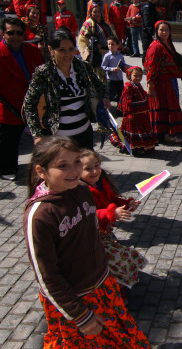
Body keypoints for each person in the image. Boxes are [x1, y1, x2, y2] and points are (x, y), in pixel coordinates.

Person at [23, 136, 151, 348]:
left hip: (103, 284)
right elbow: (46, 276)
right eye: (62, 165)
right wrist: (80, 316)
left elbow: (92, 236)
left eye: (76, 162)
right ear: (41, 171)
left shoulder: (82, 191)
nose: (74, 171)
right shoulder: (39, 215)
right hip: (77, 300)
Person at [0, 17, 43, 181]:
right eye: (10, 32)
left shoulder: (32, 50)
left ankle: (43, 168)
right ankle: (8, 169)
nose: (15, 36)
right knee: (9, 142)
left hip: (32, 103)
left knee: (42, 139)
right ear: (3, 33)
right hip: (9, 105)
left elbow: (42, 76)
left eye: (19, 33)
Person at [23, 30, 109, 150]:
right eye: (62, 50)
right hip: (59, 140)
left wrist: (104, 97)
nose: (68, 54)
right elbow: (29, 104)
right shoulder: (44, 72)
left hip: (85, 134)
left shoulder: (82, 67)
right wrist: (37, 134)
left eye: (71, 49)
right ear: (51, 50)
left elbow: (99, 84)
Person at [79, 149, 147, 294]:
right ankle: (111, 292)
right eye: (88, 169)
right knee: (108, 262)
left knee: (110, 262)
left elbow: (113, 199)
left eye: (97, 165)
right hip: (90, 237)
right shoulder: (80, 190)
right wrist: (111, 213)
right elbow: (87, 215)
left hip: (105, 231)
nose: (95, 171)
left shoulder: (102, 182)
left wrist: (127, 204)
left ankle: (116, 288)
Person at [145, 21, 182, 144]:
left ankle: (165, 133)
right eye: (161, 30)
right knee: (165, 108)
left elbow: (176, 62)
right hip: (160, 83)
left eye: (167, 30)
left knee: (169, 106)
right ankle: (166, 134)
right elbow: (151, 67)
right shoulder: (155, 46)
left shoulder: (168, 44)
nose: (164, 32)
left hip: (170, 81)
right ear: (156, 31)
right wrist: (150, 85)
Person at [116, 66, 157, 155]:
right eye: (135, 76)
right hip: (133, 116)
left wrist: (148, 94)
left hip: (141, 115)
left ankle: (142, 147)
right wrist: (129, 114)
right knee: (134, 132)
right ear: (129, 76)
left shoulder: (137, 85)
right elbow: (126, 101)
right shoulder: (129, 87)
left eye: (140, 76)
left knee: (142, 131)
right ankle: (134, 148)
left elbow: (141, 94)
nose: (138, 78)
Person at [79, 5, 114, 79]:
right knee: (98, 75)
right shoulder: (88, 23)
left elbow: (111, 35)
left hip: (107, 51)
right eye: (95, 12)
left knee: (109, 74)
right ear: (91, 13)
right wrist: (90, 46)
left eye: (99, 12)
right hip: (96, 53)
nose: (97, 14)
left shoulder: (104, 24)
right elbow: (82, 38)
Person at [101, 36, 129, 108]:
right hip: (111, 79)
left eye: (113, 44)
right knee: (110, 94)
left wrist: (126, 68)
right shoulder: (107, 56)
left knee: (120, 94)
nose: (110, 46)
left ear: (117, 45)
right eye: (109, 44)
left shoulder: (120, 55)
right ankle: (108, 107)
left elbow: (123, 64)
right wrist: (111, 69)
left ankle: (119, 108)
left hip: (119, 78)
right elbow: (103, 66)